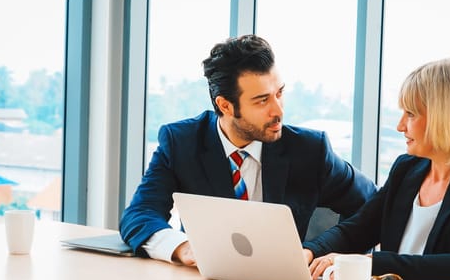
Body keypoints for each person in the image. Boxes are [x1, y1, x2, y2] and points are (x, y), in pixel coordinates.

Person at [119, 34, 377, 265]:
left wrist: (321, 252)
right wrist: (183, 248)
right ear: (226, 106)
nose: (278, 111)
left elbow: (371, 205)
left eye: (279, 93)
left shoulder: (309, 149)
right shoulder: (181, 142)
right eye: (262, 100)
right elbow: (140, 214)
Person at [303, 58, 450, 280]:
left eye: (411, 114)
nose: (400, 126)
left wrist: (370, 263)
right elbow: (357, 230)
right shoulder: (406, 169)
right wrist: (311, 251)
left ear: (444, 118)